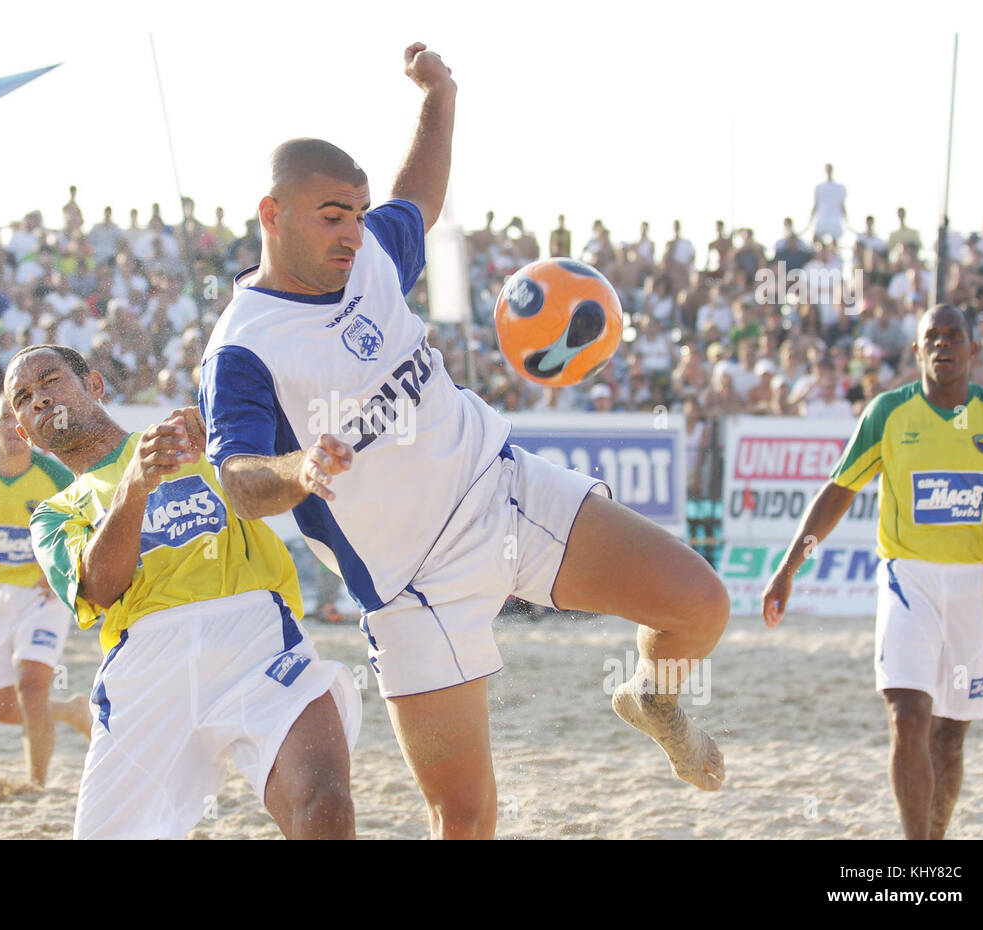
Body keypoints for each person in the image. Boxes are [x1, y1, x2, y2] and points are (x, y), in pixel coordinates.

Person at [200, 42, 728, 840]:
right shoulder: (243, 346)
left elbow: (417, 199)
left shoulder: (369, 256)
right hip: (413, 586)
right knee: (466, 815)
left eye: (356, 212)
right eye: (331, 216)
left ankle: (654, 697)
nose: (352, 233)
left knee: (701, 607)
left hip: (502, 490)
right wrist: (298, 469)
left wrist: (440, 97)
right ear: (272, 215)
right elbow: (238, 478)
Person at [4, 344, 360, 840]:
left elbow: (263, 482)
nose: (39, 398)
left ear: (94, 385)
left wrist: (285, 458)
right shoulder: (53, 513)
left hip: (255, 638)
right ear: (24, 432)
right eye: (23, 397)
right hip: (146, 667)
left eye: (49, 380)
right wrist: (134, 485)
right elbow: (103, 588)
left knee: (325, 801)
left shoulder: (193, 438)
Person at [762, 304, 983, 840]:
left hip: (973, 587)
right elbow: (839, 490)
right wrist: (790, 565)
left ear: (973, 348)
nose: (944, 345)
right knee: (907, 716)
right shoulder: (889, 413)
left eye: (955, 336)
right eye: (932, 337)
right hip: (907, 580)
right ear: (917, 350)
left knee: (949, 738)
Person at [0, 394, 90, 788]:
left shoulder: (54, 476)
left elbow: (87, 523)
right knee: (4, 708)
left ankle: (36, 786)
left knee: (31, 687)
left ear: (29, 431)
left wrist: (61, 565)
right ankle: (74, 711)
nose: (12, 427)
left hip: (43, 595)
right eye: (3, 419)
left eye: (18, 421)